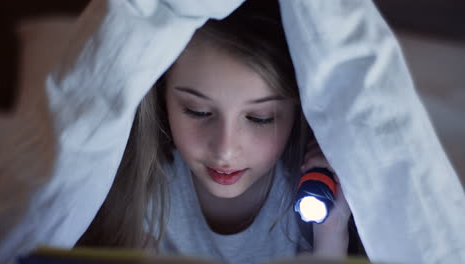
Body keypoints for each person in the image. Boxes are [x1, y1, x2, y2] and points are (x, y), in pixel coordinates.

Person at [75, 1, 351, 262]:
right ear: (163, 98)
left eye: (260, 118)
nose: (225, 150)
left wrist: (331, 235)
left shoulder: (308, 195)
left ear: (298, 108)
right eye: (198, 111)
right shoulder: (143, 191)